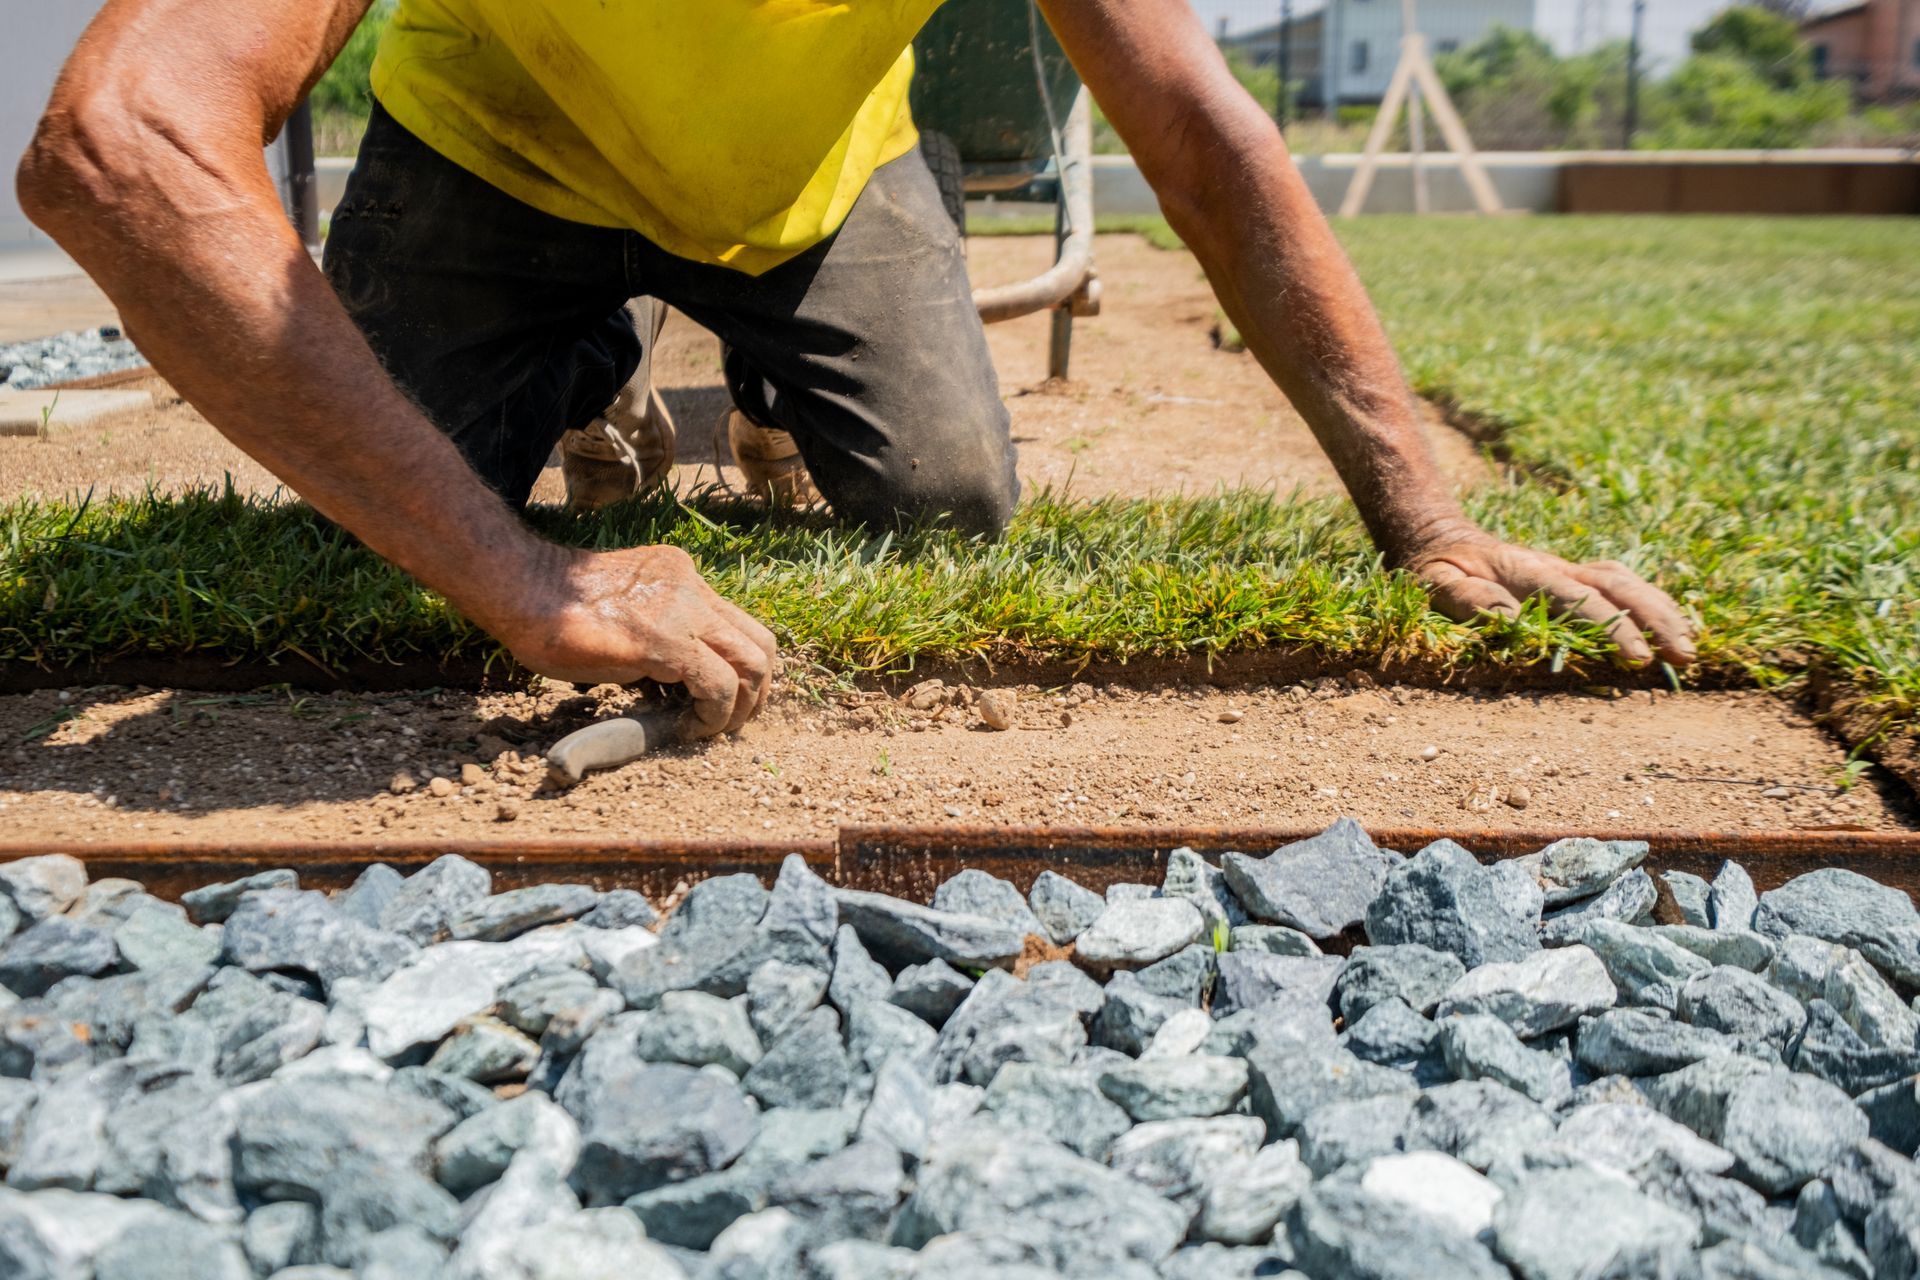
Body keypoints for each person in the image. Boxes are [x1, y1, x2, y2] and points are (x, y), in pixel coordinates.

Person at [18, 0, 1695, 741]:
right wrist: (526, 578)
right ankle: (587, 348)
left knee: (948, 507)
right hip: (499, 158)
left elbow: (1200, 127)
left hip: (814, 185)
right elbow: (118, 143)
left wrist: (1426, 518)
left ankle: (762, 371)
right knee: (361, 531)